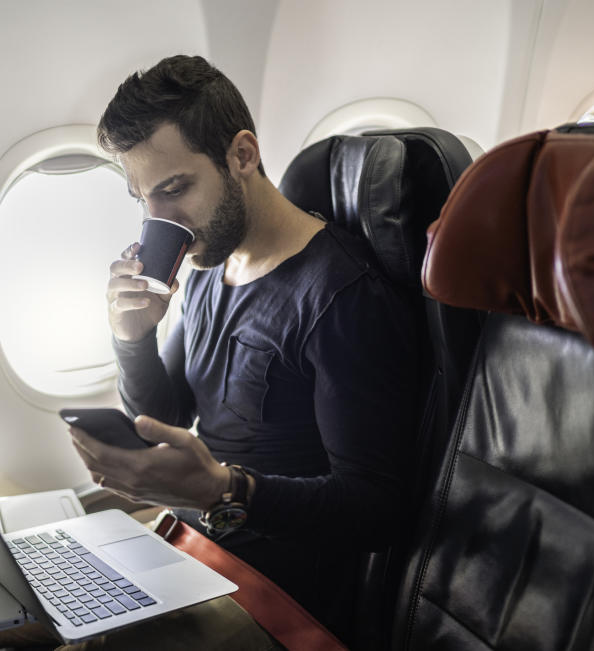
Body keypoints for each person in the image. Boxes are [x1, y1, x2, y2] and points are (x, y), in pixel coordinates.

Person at [68, 54, 423, 643]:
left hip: (272, 599)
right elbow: (166, 417)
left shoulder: (341, 299)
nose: (160, 222)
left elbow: (375, 510)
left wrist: (222, 490)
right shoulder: (212, 263)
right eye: (143, 200)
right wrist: (132, 339)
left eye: (175, 188)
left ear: (242, 155)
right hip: (192, 552)